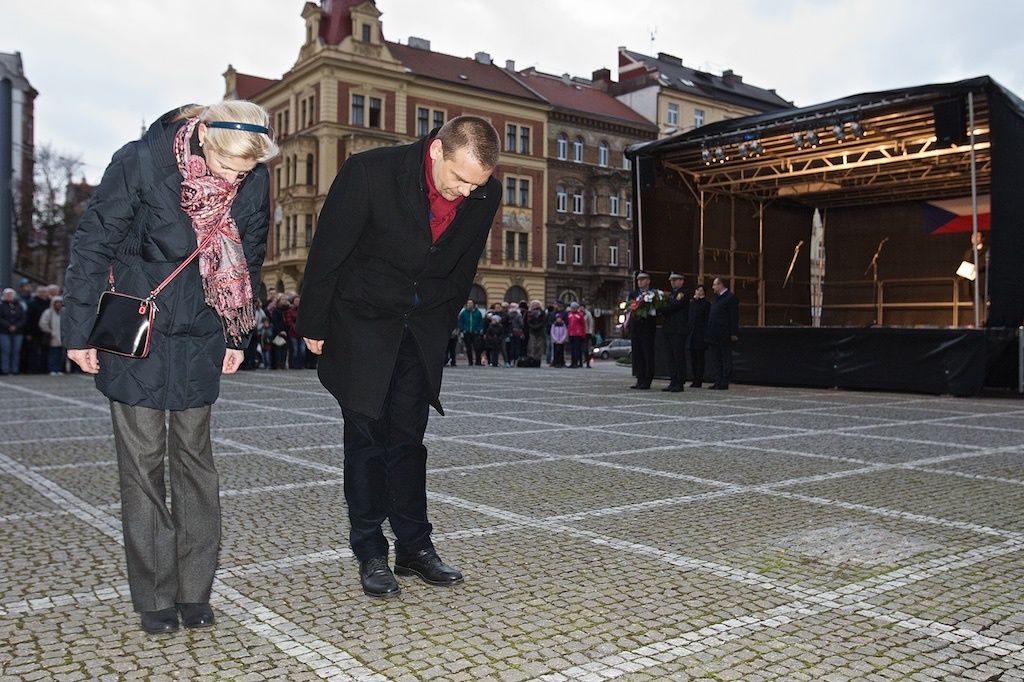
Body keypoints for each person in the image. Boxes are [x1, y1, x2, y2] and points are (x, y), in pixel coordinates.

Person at [61, 101, 277, 634]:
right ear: (202, 136)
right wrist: (78, 330)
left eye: (245, 171)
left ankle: (194, 589)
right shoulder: (140, 162)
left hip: (202, 332)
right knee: (142, 467)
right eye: (226, 167)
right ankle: (156, 595)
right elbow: (93, 244)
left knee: (196, 464)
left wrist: (237, 333)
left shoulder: (254, 179)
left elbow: (248, 257)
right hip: (138, 329)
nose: (234, 180)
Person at [297, 116, 501, 598]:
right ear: (436, 150)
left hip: (420, 328)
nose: (467, 193)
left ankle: (414, 547)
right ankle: (370, 550)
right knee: (366, 441)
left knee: (409, 441)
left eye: (476, 185)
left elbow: (464, 267)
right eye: (460, 179)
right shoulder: (369, 172)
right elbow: (328, 251)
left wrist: (441, 324)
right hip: (361, 323)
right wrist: (314, 324)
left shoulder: (485, 192)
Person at [707, 277, 740, 389]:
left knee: (725, 357)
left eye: (714, 284)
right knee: (716, 358)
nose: (713, 287)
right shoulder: (717, 298)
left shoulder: (730, 298)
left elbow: (734, 316)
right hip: (714, 334)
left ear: (720, 285)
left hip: (724, 333)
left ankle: (724, 381)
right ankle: (718, 380)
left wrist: (733, 333)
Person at [628, 272, 658, 389]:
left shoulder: (653, 294)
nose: (640, 282)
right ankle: (639, 379)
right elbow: (630, 308)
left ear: (648, 281)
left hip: (647, 328)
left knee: (647, 354)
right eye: (638, 280)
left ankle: (647, 380)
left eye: (643, 279)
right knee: (637, 355)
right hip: (636, 328)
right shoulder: (633, 294)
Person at [661, 272, 689, 392]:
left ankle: (679, 382)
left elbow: (674, 306)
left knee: (678, 356)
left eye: (675, 280)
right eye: (672, 280)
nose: (673, 282)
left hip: (678, 329)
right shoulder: (671, 294)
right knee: (670, 357)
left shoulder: (683, 293)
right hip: (669, 328)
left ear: (681, 281)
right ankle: (673, 380)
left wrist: (661, 308)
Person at [688, 284, 710, 388]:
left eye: (701, 290)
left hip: (700, 334)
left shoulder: (706, 304)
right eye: (697, 290)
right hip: (692, 334)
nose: (699, 292)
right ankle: (694, 378)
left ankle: (699, 379)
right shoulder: (692, 303)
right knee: (693, 358)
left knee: (700, 358)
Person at [0, 287, 26, 375]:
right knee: (5, 351)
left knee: (16, 351)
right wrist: (8, 325)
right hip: (4, 331)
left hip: (18, 331)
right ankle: (5, 369)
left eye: (10, 294)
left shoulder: (19, 305)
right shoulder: (1, 305)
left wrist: (16, 326)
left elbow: (23, 318)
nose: (9, 296)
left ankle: (15, 369)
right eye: (7, 295)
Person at [38, 295, 65, 375]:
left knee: (60, 354)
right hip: (52, 337)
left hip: (62, 337)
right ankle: (52, 369)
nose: (58, 304)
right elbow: (43, 323)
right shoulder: (48, 312)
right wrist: (49, 331)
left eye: (60, 303)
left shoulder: (63, 312)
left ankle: (59, 369)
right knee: (53, 354)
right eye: (57, 302)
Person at [457, 298, 484, 366]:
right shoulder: (464, 313)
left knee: (477, 347)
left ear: (473, 304)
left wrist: (478, 329)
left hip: (475, 332)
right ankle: (470, 362)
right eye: (468, 303)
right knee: (468, 348)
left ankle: (478, 361)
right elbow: (460, 322)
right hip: (467, 332)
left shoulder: (478, 312)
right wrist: (463, 329)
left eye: (470, 303)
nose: (469, 305)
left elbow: (481, 322)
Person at [567, 302, 586, 368]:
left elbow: (583, 325)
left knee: (577, 349)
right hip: (571, 333)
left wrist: (583, 334)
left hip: (578, 334)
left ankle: (576, 362)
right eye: (572, 308)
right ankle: (572, 362)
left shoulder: (580, 315)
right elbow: (568, 324)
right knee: (572, 349)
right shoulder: (569, 315)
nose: (572, 309)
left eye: (573, 308)